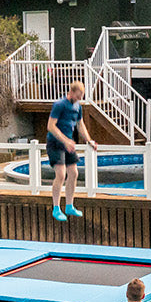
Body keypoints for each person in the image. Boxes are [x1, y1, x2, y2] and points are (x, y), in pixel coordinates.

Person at [46, 80, 97, 221]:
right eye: (78, 95)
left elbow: (81, 125)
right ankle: (56, 208)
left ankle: (69, 205)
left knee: (74, 173)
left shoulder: (77, 107)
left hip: (68, 144)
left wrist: (89, 140)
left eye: (82, 96)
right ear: (72, 92)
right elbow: (50, 126)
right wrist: (65, 140)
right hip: (55, 143)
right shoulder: (59, 105)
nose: (80, 98)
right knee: (61, 175)